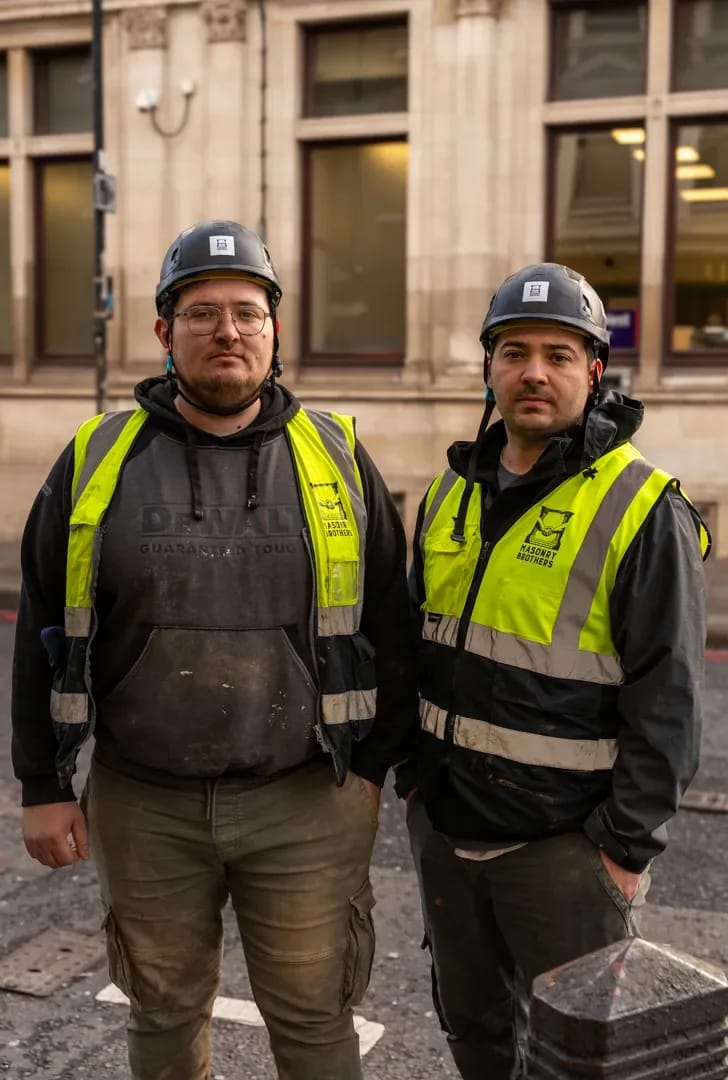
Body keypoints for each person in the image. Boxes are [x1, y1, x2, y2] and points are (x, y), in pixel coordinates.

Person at [12, 219, 417, 1080]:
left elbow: (393, 623)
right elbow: (40, 625)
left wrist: (375, 769)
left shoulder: (339, 457)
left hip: (306, 799)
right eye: (201, 313)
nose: (227, 331)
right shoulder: (95, 457)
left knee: (314, 1023)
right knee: (161, 1016)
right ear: (164, 333)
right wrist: (42, 785)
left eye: (246, 311)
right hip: (143, 798)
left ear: (274, 328)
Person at [398, 262, 710, 1079]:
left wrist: (623, 850)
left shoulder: (642, 507)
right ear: (491, 367)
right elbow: (417, 648)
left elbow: (669, 699)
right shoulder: (448, 493)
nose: (534, 372)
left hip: (565, 852)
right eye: (514, 351)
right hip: (450, 834)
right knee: (476, 1034)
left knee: (582, 1059)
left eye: (559, 354)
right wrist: (413, 781)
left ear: (594, 371)